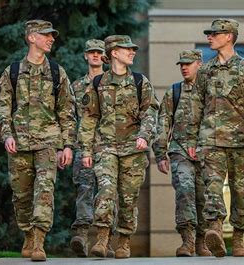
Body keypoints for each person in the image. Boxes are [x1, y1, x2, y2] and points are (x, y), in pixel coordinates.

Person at [188, 18, 244, 257]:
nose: (210, 37)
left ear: (229, 36)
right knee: (212, 187)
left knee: (241, 191)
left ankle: (238, 239)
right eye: (209, 34)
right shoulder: (205, 71)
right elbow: (195, 108)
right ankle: (214, 229)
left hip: (241, 141)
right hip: (210, 140)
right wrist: (192, 141)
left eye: (215, 33)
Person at [0, 19, 76, 262]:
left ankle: (39, 239)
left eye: (52, 35)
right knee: (21, 195)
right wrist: (6, 134)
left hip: (48, 142)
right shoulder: (13, 72)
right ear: (31, 38)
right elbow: (2, 107)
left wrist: (67, 145)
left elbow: (67, 111)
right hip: (18, 142)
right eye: (46, 35)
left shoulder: (57, 72)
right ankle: (28, 234)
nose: (51, 39)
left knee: (44, 189)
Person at [79, 35, 159, 259]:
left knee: (128, 198)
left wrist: (144, 135)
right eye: (127, 49)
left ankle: (124, 240)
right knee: (105, 192)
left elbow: (151, 113)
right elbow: (89, 119)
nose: (132, 52)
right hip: (105, 148)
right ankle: (102, 239)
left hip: (133, 150)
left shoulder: (140, 82)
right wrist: (86, 150)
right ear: (114, 53)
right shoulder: (98, 83)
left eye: (133, 49)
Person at [152, 49, 212, 257]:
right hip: (180, 151)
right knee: (185, 192)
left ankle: (202, 242)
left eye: (188, 63)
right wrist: (160, 154)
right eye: (181, 64)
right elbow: (162, 124)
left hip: (206, 154)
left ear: (199, 64)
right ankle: (187, 241)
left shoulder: (210, 92)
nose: (184, 67)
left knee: (204, 197)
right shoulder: (174, 92)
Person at [69, 39, 115, 258]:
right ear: (85, 56)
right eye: (91, 52)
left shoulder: (112, 83)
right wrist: (67, 146)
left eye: (99, 52)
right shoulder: (77, 86)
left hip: (109, 146)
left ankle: (105, 241)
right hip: (83, 146)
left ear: (104, 56)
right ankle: (82, 236)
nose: (95, 55)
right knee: (84, 189)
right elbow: (69, 118)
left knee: (108, 193)